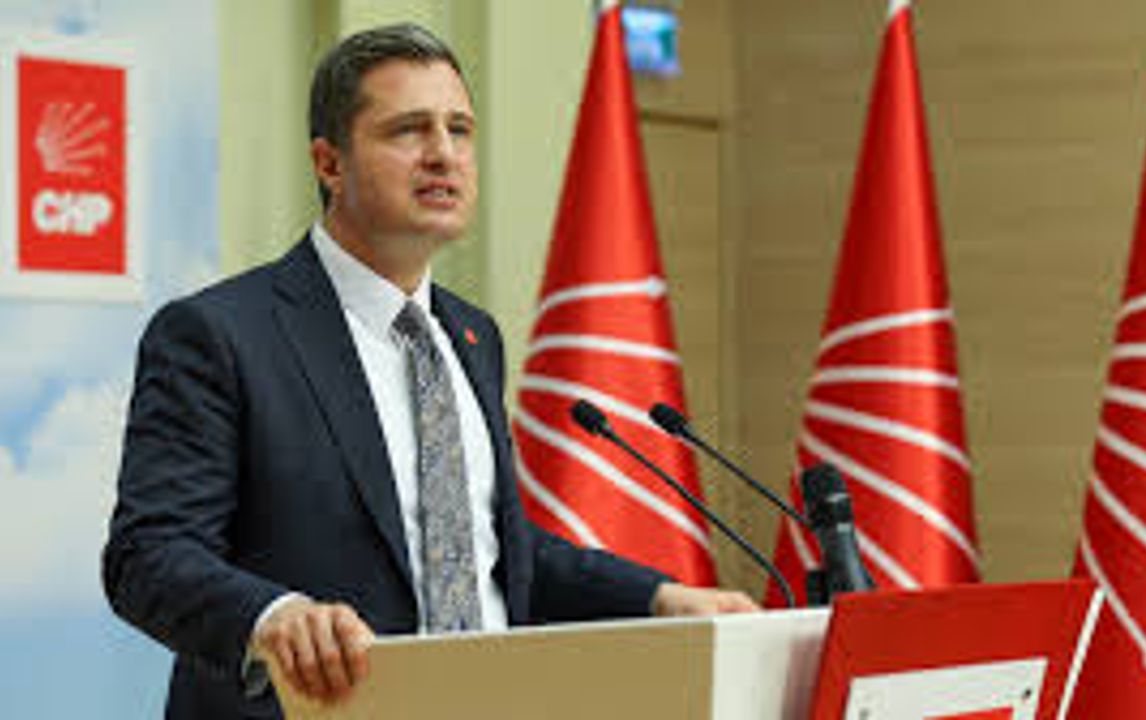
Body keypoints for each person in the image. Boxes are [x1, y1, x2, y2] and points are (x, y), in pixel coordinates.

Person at [102, 22, 756, 718]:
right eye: (409, 130)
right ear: (329, 164)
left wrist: (659, 598)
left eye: (459, 130)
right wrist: (275, 617)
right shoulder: (221, 335)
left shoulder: (473, 336)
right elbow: (148, 555)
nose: (444, 153)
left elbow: (492, 547)